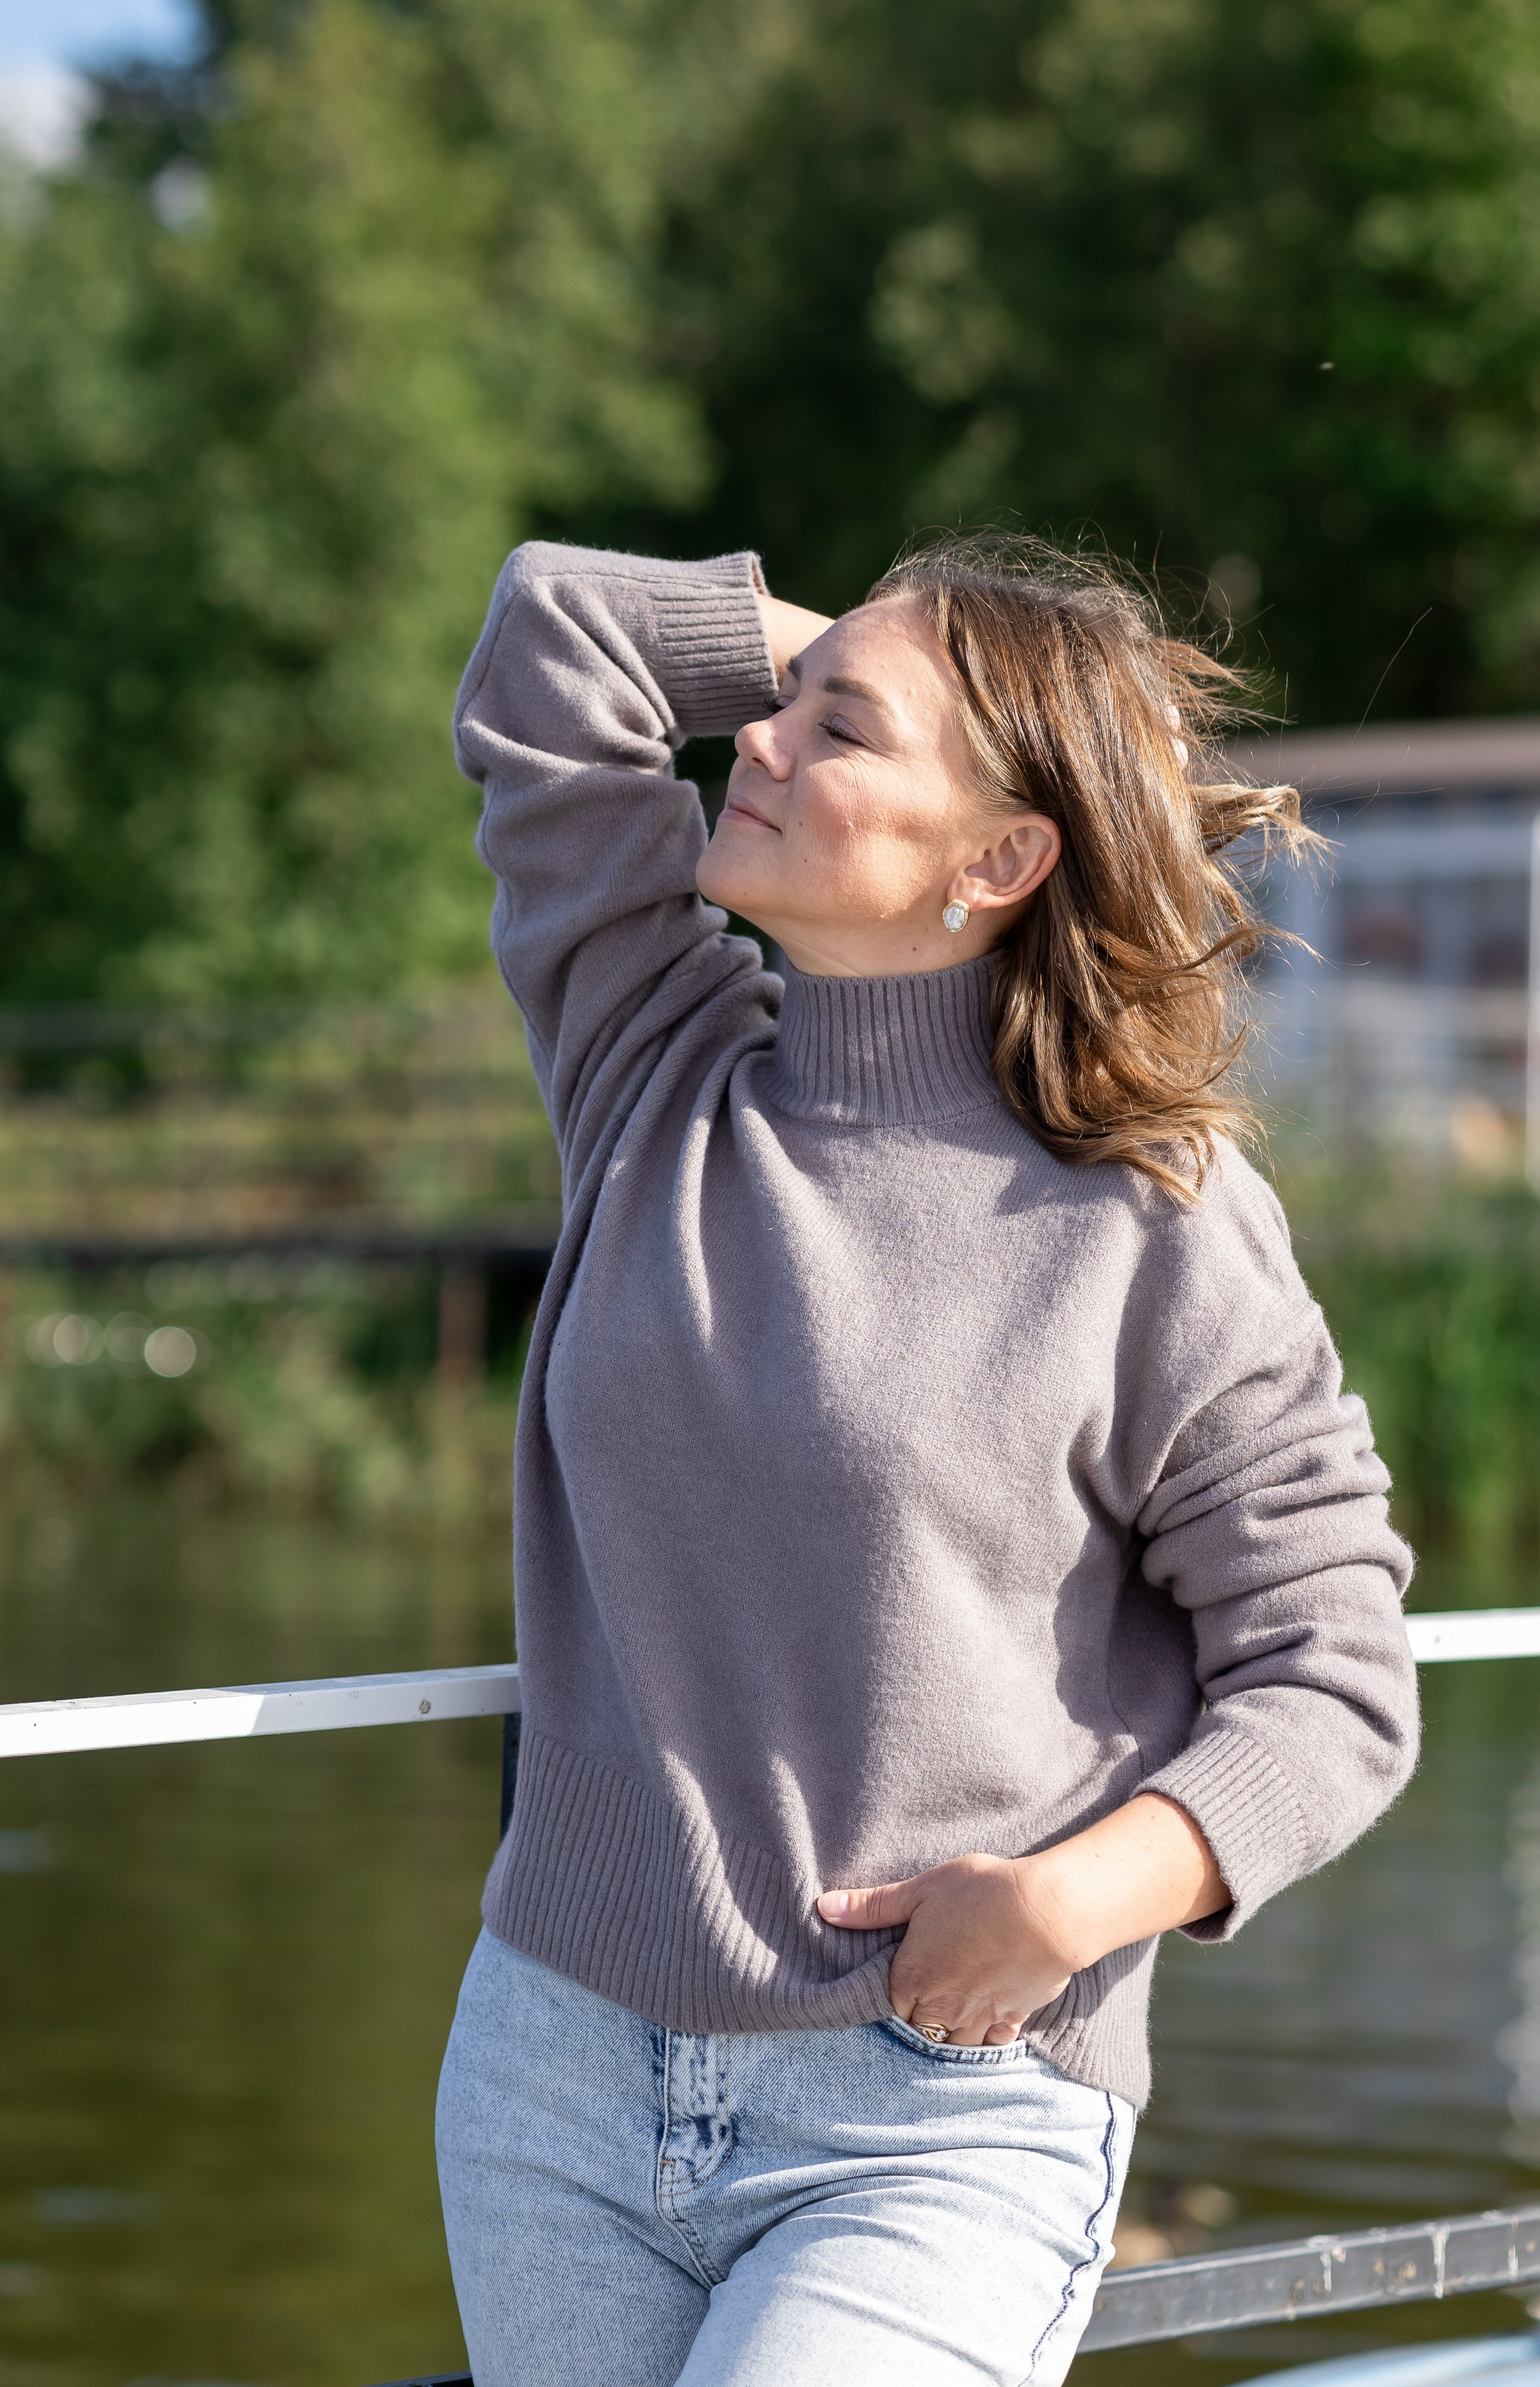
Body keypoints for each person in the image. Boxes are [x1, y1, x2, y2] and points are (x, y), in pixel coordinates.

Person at [435, 535, 1417, 2387]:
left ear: (996, 861)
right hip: (551, 2081)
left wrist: (1064, 1905)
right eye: (782, 709)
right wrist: (896, 662)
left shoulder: (1155, 1229)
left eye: (838, 733)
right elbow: (554, 629)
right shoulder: (651, 1069)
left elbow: (1336, 1680)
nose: (763, 744)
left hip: (934, 2111)